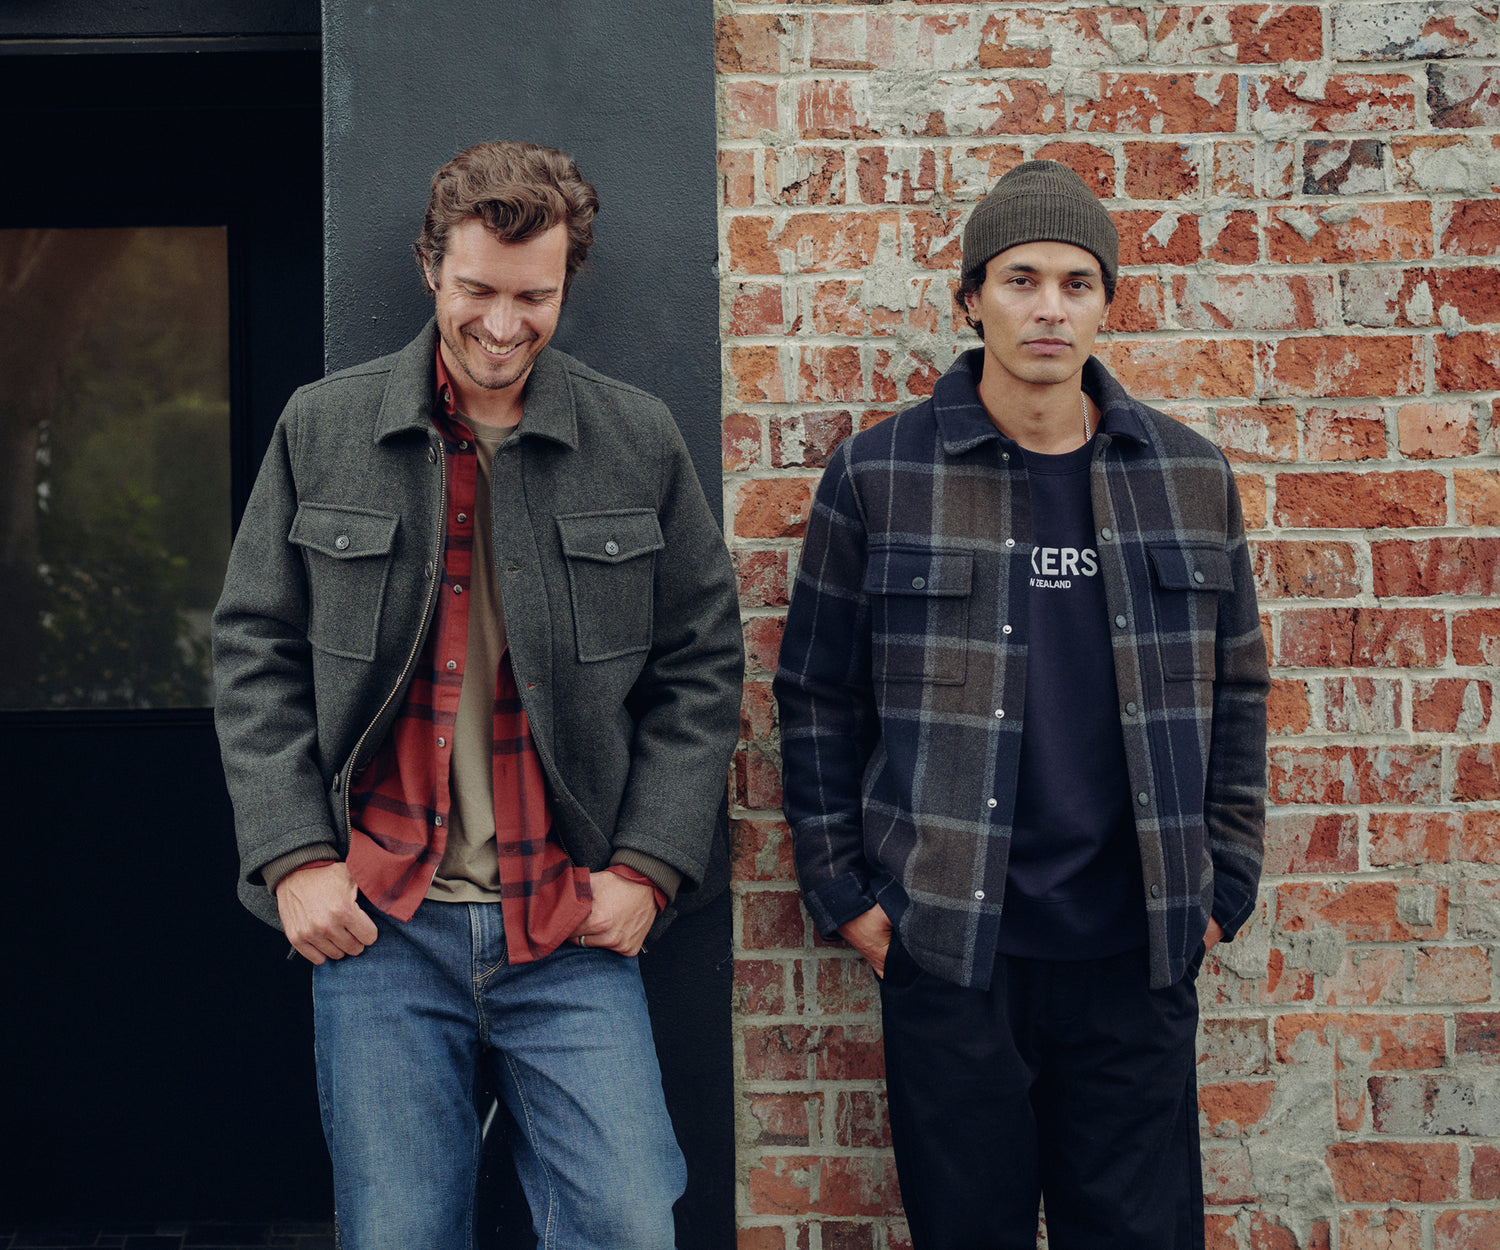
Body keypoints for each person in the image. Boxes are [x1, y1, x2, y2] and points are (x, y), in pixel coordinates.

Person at [212, 140, 744, 1249]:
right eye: (478, 291)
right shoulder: (324, 427)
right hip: (381, 922)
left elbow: (702, 660)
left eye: (533, 296)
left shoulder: (634, 437)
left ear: (566, 284)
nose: (503, 325)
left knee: (631, 1220)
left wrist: (648, 865)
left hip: (564, 918)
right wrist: (294, 857)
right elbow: (253, 646)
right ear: (429, 270)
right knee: (400, 1231)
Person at [773, 160, 1269, 1249]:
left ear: (1108, 302)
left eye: (1078, 282)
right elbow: (813, 695)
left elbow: (1239, 689)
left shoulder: (1188, 475)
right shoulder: (877, 474)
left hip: (1134, 952)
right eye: (1021, 278)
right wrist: (848, 894)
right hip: (952, 951)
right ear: (969, 298)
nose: (1050, 306)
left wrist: (1223, 882)